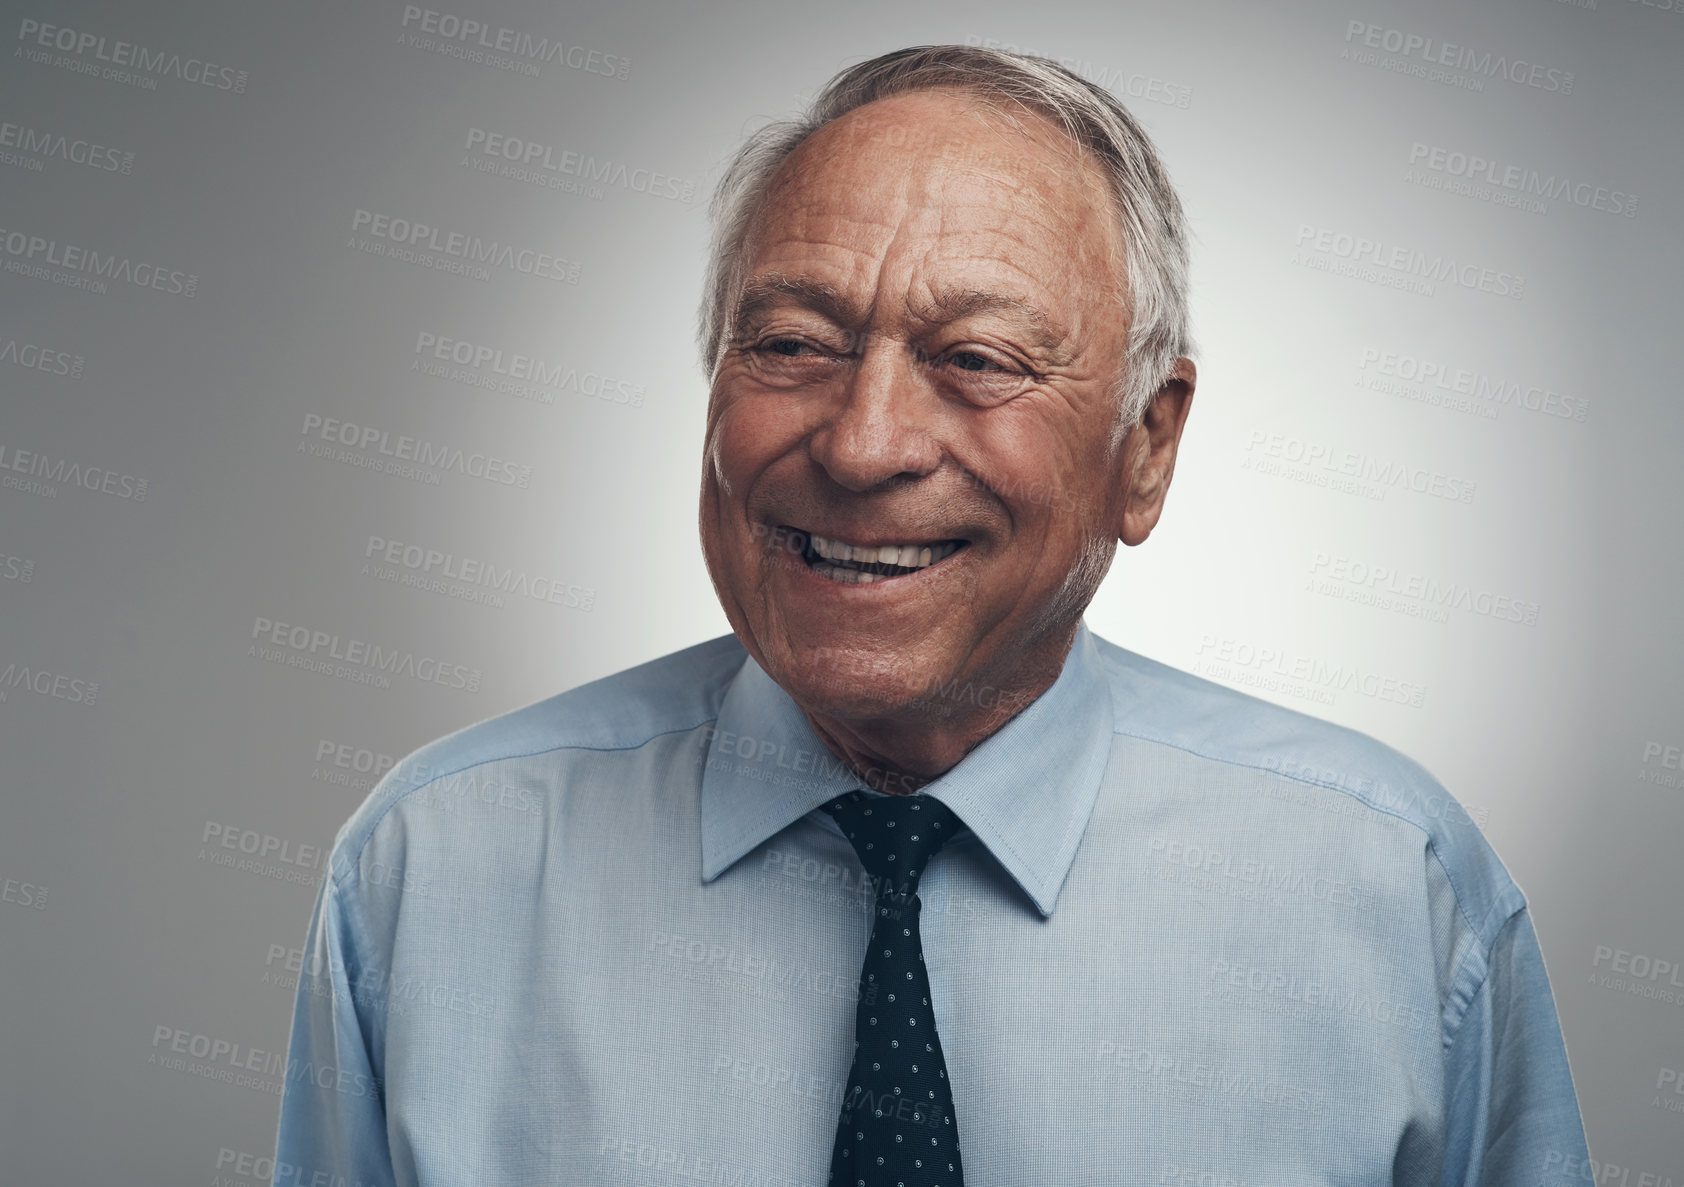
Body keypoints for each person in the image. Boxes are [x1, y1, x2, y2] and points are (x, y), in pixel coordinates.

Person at [274, 45, 1589, 1184]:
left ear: (1149, 446)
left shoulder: (1390, 889)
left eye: (976, 360)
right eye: (792, 341)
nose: (863, 444)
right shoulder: (431, 871)